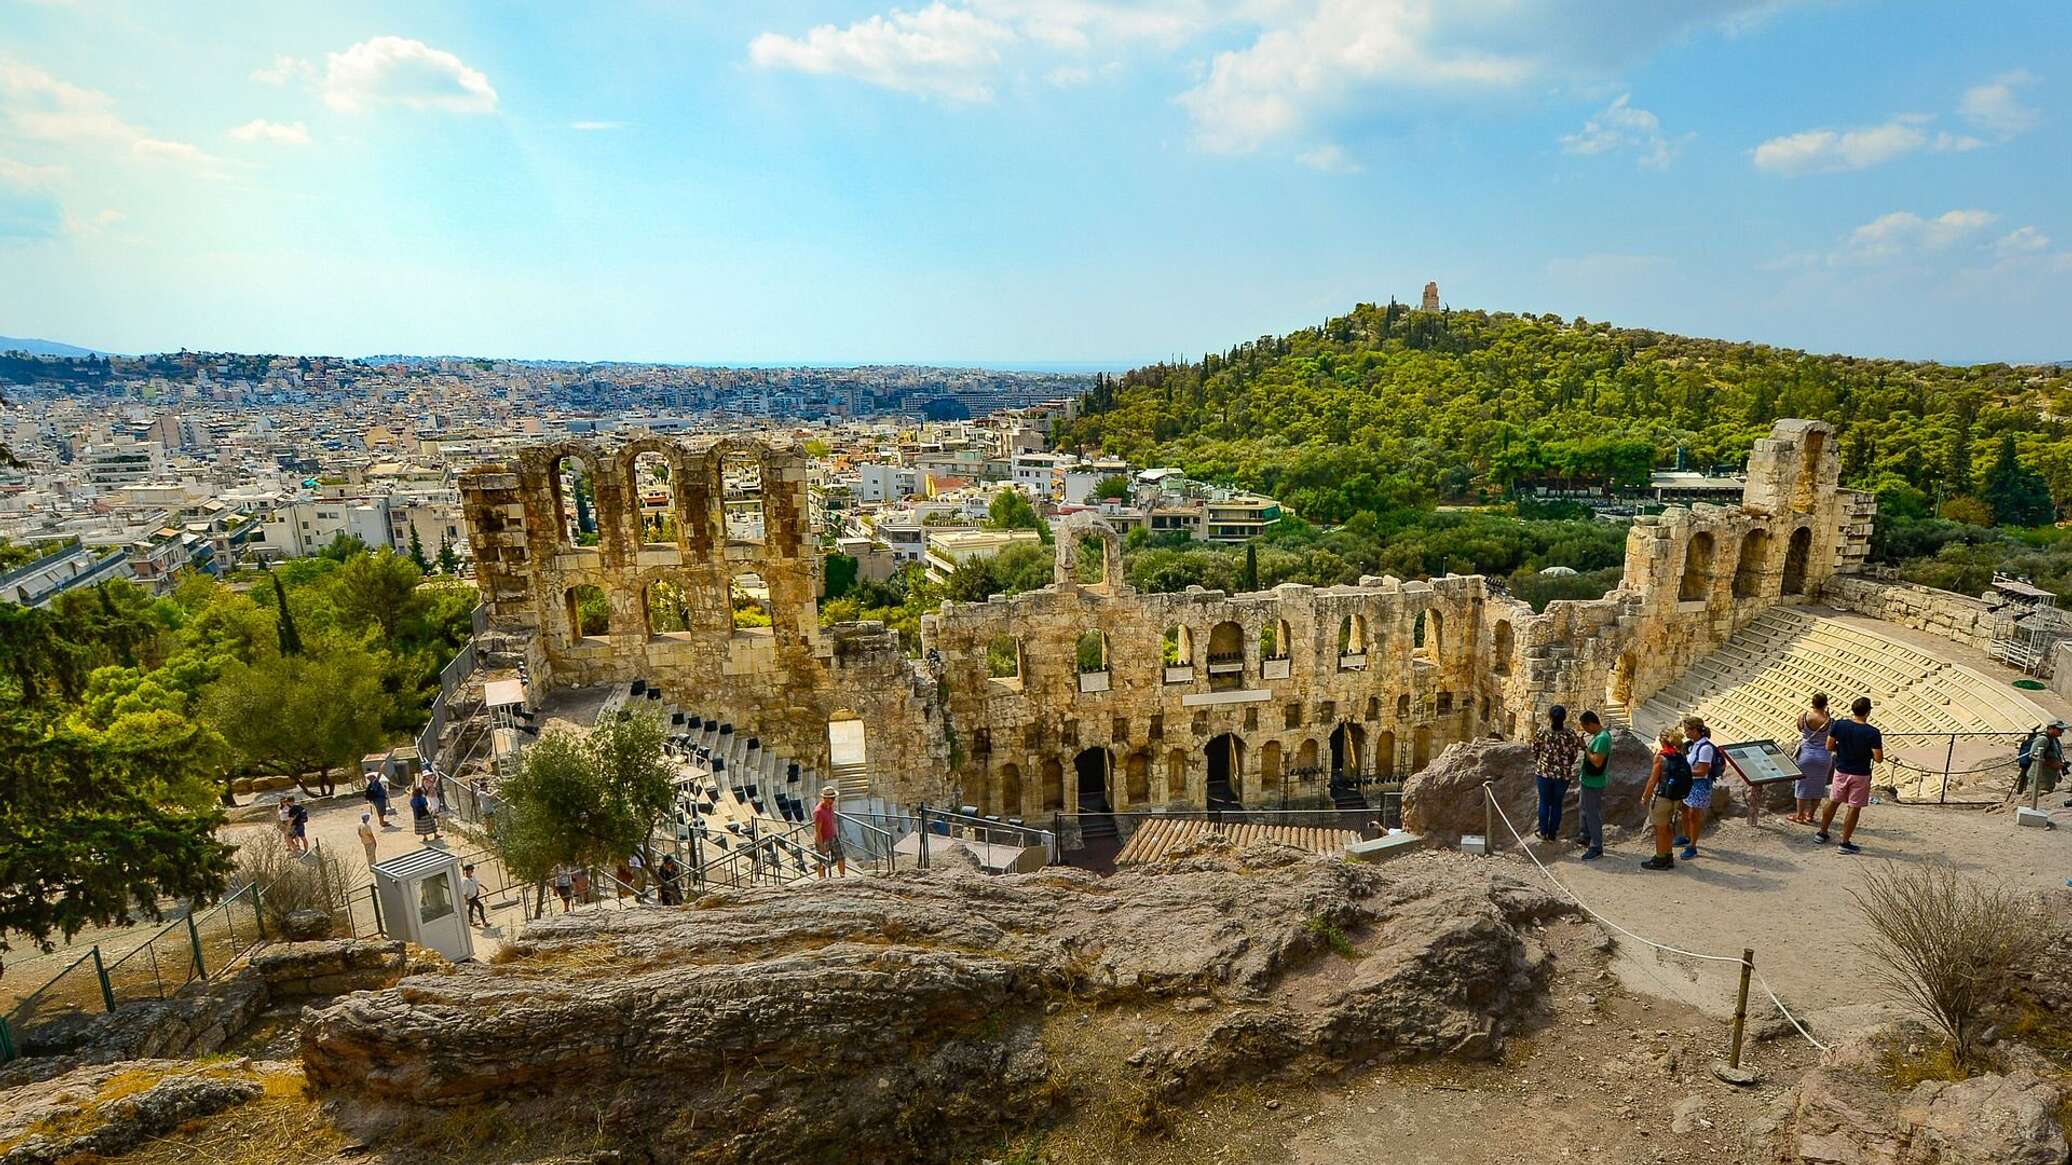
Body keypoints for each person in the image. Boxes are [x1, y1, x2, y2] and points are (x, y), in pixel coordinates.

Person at [1818, 696, 1883, 854]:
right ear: (1868, 712)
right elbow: (1878, 758)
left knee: (1833, 801)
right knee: (1854, 807)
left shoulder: (1839, 725)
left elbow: (1829, 746)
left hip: (1841, 770)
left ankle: (1822, 833)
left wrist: (1844, 750)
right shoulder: (1872, 732)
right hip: (1860, 773)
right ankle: (1844, 843)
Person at [1640, 727, 1693, 871]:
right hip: (1676, 798)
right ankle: (1668, 855)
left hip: (1662, 798)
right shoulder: (1680, 755)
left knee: (1660, 830)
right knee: (1668, 827)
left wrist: (1645, 797)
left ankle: (1660, 858)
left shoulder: (1660, 757)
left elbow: (1652, 780)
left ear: (1663, 741)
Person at [1530, 705, 1584, 843]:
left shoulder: (1543, 732)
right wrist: (1566, 765)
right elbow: (1573, 754)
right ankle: (1553, 834)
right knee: (1557, 804)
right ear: (1564, 718)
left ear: (1549, 717)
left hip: (1544, 774)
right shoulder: (1570, 734)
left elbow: (1535, 749)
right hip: (1563, 775)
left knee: (1544, 802)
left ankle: (1543, 832)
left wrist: (1541, 762)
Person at [1678, 717, 1718, 861]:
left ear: (1696, 730)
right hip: (1690, 783)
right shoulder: (1693, 745)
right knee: (1684, 810)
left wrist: (1682, 772)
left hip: (1699, 785)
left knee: (1694, 815)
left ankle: (1692, 846)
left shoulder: (1705, 748)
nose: (1686, 733)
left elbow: (1702, 771)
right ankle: (1686, 836)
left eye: (1688, 730)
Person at [1575, 710, 1612, 860]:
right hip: (1588, 779)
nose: (1585, 731)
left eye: (1585, 727)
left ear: (1591, 724)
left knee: (1592, 813)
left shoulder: (1602, 738)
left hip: (1594, 781)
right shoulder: (1598, 736)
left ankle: (1596, 846)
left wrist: (1585, 748)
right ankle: (1586, 836)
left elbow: (1597, 761)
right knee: (1584, 808)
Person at [1791, 694, 1833, 825]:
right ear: (1826, 704)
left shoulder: (1803, 716)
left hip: (1806, 755)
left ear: (1812, 703)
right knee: (1818, 787)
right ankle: (1811, 815)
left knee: (1802, 786)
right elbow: (1832, 735)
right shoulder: (1830, 721)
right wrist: (1828, 716)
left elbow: (1800, 728)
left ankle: (1799, 815)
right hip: (1823, 756)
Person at [813, 785, 846, 878]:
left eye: (833, 798)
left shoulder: (829, 807)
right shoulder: (818, 812)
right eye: (832, 798)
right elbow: (817, 830)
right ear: (825, 798)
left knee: (841, 857)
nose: (833, 800)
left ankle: (842, 877)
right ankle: (822, 880)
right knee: (822, 862)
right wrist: (821, 845)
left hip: (833, 836)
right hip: (823, 839)